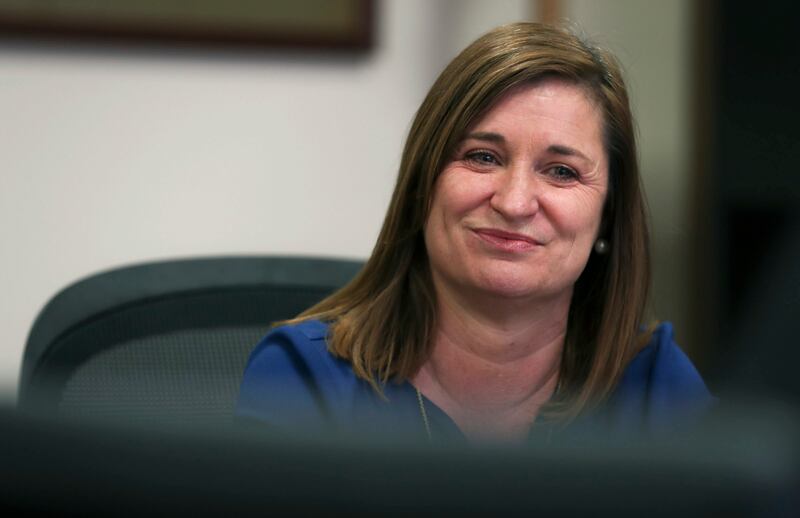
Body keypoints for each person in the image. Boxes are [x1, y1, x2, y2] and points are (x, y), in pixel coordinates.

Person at [236, 22, 714, 443]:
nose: (514, 202)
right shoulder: (306, 379)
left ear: (608, 215)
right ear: (424, 185)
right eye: (483, 157)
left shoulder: (654, 387)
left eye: (562, 172)